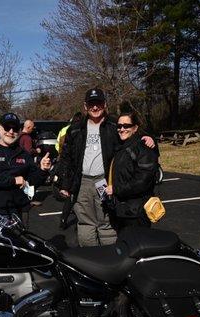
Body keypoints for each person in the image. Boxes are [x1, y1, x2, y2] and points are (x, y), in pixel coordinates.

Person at [58, 88, 156, 246]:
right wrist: (65, 183)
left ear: (104, 104)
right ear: (85, 106)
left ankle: (109, 258)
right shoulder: (76, 128)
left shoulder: (114, 124)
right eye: (91, 104)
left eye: (98, 103)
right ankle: (90, 260)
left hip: (105, 182)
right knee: (85, 223)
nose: (95, 107)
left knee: (107, 222)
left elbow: (131, 132)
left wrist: (149, 138)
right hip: (82, 182)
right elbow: (66, 157)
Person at [0, 113, 51, 218]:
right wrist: (13, 180)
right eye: (7, 127)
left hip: (18, 210)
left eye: (15, 128)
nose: (11, 132)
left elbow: (32, 182)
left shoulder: (24, 154)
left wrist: (42, 170)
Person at [105, 111, 159, 232]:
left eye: (126, 126)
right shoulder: (120, 147)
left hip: (136, 212)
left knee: (137, 247)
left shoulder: (143, 147)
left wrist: (116, 189)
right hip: (121, 211)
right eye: (119, 126)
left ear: (135, 128)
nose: (122, 129)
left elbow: (143, 181)